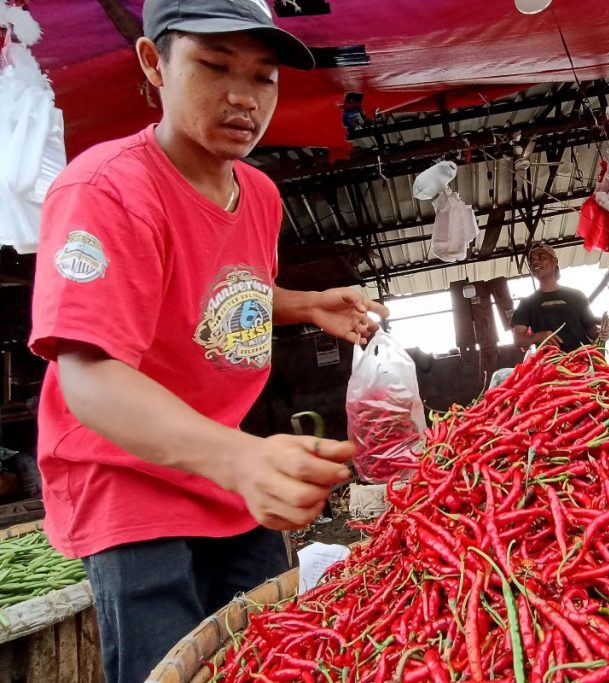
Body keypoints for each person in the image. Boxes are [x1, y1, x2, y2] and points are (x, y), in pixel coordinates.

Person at [27, 1, 388, 680]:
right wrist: (238, 458)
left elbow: (223, 296)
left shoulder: (257, 193)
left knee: (269, 657)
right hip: (129, 481)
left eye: (263, 77)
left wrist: (307, 304)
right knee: (171, 666)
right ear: (153, 63)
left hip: (225, 478)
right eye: (214, 66)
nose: (242, 98)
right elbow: (89, 374)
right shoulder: (106, 190)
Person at [512, 244, 608, 352]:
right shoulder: (526, 304)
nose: (535, 262)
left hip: (582, 361)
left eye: (541, 257)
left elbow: (592, 331)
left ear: (554, 262)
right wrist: (537, 336)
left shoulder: (576, 296)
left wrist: (602, 334)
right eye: (531, 260)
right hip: (549, 365)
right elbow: (518, 339)